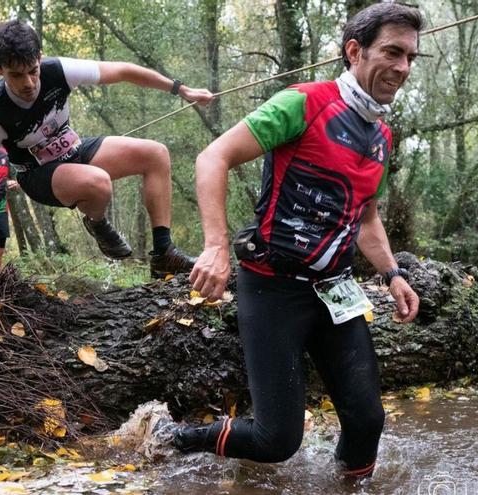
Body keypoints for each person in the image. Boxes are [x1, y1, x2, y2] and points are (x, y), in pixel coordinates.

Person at [177, 3, 423, 479]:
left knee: (368, 421)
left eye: (411, 57)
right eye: (392, 52)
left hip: (335, 290)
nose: (403, 67)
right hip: (273, 287)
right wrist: (215, 245)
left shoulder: (381, 138)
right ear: (355, 51)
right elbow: (213, 158)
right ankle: (178, 439)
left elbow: (366, 215)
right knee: (277, 441)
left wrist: (393, 274)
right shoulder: (305, 102)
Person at [0, 20, 213, 275]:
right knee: (99, 183)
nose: (29, 83)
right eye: (17, 75)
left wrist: (181, 89)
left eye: (33, 71)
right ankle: (98, 223)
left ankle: (163, 254)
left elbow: (125, 71)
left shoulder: (58, 71)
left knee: (156, 154)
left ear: (40, 59)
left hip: (74, 150)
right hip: (37, 175)